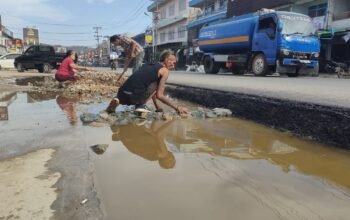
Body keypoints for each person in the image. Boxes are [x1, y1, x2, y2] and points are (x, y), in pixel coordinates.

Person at [106, 50, 188, 114]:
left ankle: (117, 100)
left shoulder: (148, 64)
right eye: (173, 63)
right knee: (157, 85)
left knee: (149, 82)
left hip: (121, 93)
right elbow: (159, 95)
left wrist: (158, 109)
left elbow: (152, 91)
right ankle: (140, 106)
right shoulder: (165, 71)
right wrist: (177, 107)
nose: (173, 66)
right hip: (135, 97)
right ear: (167, 60)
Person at [110, 120, 176, 169]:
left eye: (172, 158)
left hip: (132, 128)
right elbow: (153, 132)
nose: (173, 155)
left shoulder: (163, 153)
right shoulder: (152, 157)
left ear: (168, 159)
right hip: (125, 132)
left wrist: (173, 120)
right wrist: (155, 118)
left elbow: (158, 135)